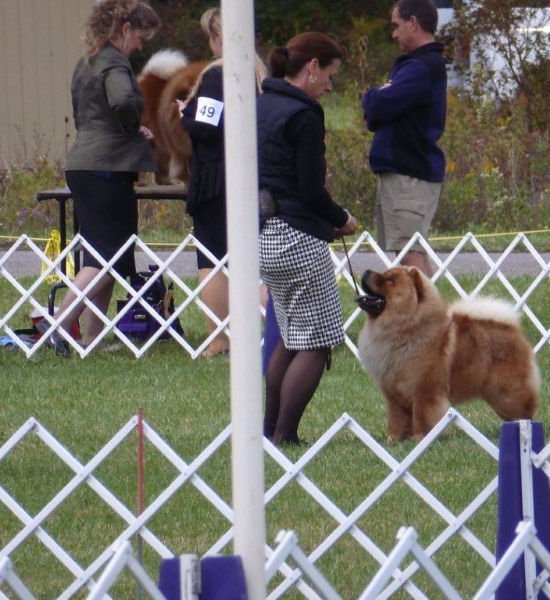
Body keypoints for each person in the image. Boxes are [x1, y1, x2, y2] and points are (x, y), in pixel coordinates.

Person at [257, 33, 357, 445]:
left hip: (264, 235)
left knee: (290, 338)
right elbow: (311, 190)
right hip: (297, 238)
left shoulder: (261, 106)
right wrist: (342, 219)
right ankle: (286, 435)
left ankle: (269, 429)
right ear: (312, 67)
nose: (331, 86)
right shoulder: (304, 115)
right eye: (330, 75)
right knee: (317, 343)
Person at [49, 0, 160, 356]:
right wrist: (132, 127)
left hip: (85, 163)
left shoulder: (86, 62)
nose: (142, 45)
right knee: (105, 259)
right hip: (106, 167)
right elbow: (124, 99)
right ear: (125, 30)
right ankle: (59, 327)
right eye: (141, 37)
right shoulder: (114, 62)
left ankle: (91, 341)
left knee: (103, 256)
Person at [179, 7, 266, 358]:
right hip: (249, 176)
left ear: (218, 37)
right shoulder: (257, 71)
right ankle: (273, 328)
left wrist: (185, 113)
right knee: (252, 261)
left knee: (212, 261)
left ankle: (220, 339)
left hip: (217, 180)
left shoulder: (217, 75)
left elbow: (205, 125)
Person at [361, 0, 447, 277]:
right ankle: (422, 317)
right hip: (403, 171)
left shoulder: (421, 67)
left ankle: (428, 319)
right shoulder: (417, 66)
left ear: (413, 22)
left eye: (396, 26)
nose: (394, 34)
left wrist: (373, 96)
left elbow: (375, 105)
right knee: (406, 252)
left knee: (410, 255)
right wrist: (378, 99)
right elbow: (378, 110)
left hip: (409, 172)